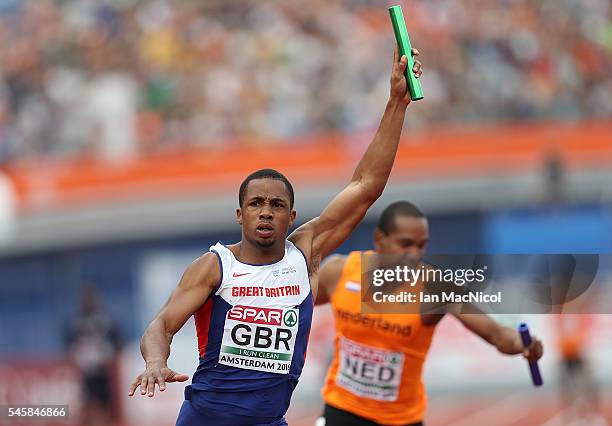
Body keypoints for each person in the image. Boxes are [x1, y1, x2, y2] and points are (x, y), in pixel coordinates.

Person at [128, 47, 423, 426]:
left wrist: (396, 103)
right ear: (240, 214)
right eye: (255, 204)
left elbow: (366, 186)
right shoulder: (216, 266)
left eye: (276, 205)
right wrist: (156, 363)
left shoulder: (305, 254)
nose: (266, 211)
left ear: (291, 216)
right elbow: (161, 326)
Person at [315, 201, 544, 426]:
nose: (414, 254)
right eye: (405, 244)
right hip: (342, 410)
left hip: (400, 420)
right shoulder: (338, 272)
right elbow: (291, 303)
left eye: (420, 245)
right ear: (379, 239)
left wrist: (522, 343)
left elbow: (496, 334)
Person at [66, 286, 122, 426]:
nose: (88, 302)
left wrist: (108, 354)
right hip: (87, 371)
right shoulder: (76, 322)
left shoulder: (106, 320)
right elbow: (68, 344)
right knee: (88, 404)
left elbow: (118, 341)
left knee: (105, 406)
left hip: (103, 370)